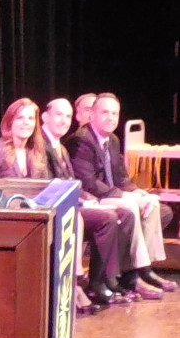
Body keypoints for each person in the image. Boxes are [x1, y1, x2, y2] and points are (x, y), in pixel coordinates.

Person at [67, 92, 176, 298]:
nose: (110, 118)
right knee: (130, 208)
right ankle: (128, 276)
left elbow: (120, 176)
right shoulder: (81, 140)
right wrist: (126, 197)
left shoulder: (113, 139)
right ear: (93, 115)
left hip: (109, 194)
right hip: (93, 197)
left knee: (151, 206)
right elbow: (88, 182)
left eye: (114, 114)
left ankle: (140, 271)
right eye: (105, 112)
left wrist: (137, 192)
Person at [41, 97, 136, 307]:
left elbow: (73, 184)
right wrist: (86, 202)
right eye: (59, 115)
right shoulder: (43, 145)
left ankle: (110, 278)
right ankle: (92, 284)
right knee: (108, 218)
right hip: (53, 209)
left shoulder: (60, 147)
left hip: (74, 202)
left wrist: (89, 200)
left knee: (124, 213)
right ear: (45, 117)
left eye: (67, 116)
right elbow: (50, 186)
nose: (64, 121)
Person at [0, 98, 49, 181]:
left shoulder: (38, 150)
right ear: (10, 122)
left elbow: (45, 188)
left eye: (30, 118)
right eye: (20, 118)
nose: (26, 122)